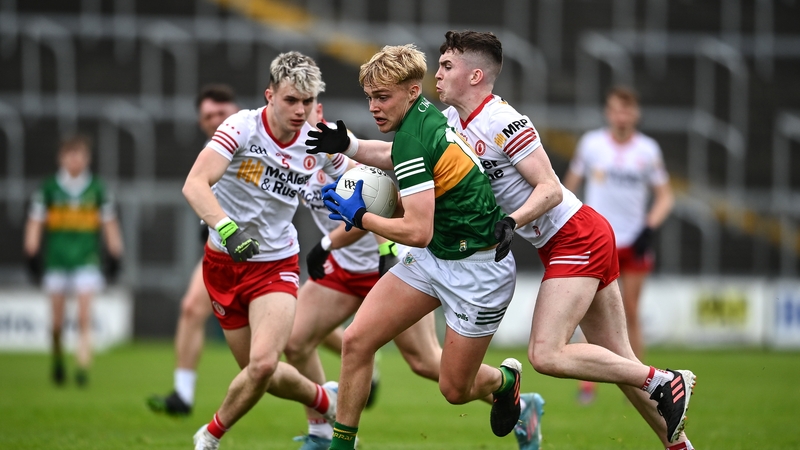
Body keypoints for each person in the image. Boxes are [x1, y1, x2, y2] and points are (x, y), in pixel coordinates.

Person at [311, 32, 697, 450]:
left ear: (475, 75)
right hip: (523, 246)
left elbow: (549, 188)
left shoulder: (503, 121)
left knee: (547, 355)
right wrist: (348, 145)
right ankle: (677, 440)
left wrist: (512, 220)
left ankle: (663, 379)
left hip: (575, 236)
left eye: (446, 66)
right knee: (618, 359)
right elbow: (405, 155)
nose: (436, 74)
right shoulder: (453, 120)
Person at [308, 44, 524, 450]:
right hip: (436, 255)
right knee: (357, 340)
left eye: (382, 96)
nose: (373, 106)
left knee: (454, 388)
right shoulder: (422, 120)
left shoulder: (415, 135)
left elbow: (416, 231)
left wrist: (361, 218)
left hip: (478, 269)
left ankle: (506, 381)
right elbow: (397, 155)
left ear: (412, 91)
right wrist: (349, 146)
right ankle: (341, 445)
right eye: (369, 96)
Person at [183, 51, 346, 450]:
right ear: (269, 95)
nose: (300, 110)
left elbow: (363, 182)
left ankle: (210, 436)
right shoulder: (241, 127)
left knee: (263, 363)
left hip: (275, 264)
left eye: (308, 102)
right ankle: (327, 399)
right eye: (291, 100)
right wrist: (226, 228)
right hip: (222, 262)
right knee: (261, 376)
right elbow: (194, 184)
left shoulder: (317, 139)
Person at [148, 84, 240, 416]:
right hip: (220, 249)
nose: (215, 120)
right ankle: (183, 395)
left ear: (235, 111)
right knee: (190, 308)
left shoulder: (254, 140)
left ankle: (339, 386)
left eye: (221, 112)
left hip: (264, 254)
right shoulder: (211, 149)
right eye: (208, 116)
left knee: (292, 336)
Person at [564, 86, 674, 361]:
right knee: (589, 310)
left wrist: (649, 228)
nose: (621, 116)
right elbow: (568, 188)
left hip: (633, 240)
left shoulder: (647, 150)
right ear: (608, 113)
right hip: (599, 240)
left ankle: (644, 381)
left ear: (635, 114)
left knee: (631, 311)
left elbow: (665, 197)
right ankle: (587, 383)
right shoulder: (591, 144)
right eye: (615, 110)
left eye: (626, 110)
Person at [23, 134, 124, 387]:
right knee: (56, 322)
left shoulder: (98, 189)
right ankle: (57, 358)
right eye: (70, 154)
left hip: (86, 260)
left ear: (87, 158)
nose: (75, 160)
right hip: (56, 261)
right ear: (62, 158)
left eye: (79, 154)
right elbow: (34, 224)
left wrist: (115, 253)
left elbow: (110, 225)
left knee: (83, 317)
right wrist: (31, 253)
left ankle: (81, 368)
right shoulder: (49, 188)